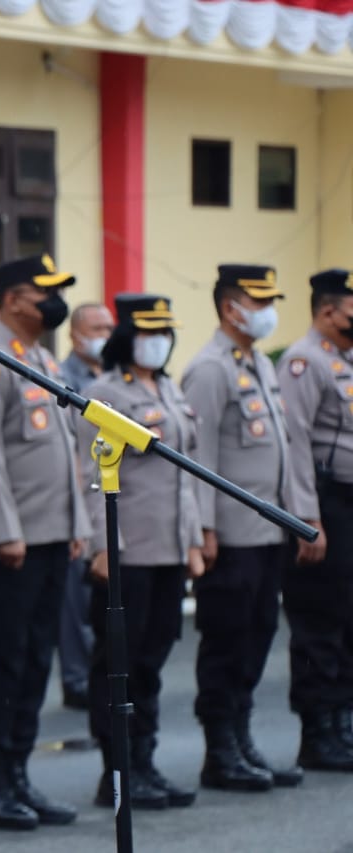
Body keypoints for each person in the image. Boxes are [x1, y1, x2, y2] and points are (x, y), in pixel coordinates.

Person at [0, 254, 90, 831]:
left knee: (35, 663)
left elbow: (65, 453)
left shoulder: (40, 360)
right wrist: (6, 533)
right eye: (44, 293)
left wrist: (77, 524)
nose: (53, 303)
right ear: (12, 300)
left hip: (50, 540)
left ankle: (18, 775)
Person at [76, 294, 202, 811]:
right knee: (119, 664)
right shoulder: (104, 391)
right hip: (128, 548)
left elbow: (186, 474)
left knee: (151, 662)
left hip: (169, 547)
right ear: (127, 338)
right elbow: (89, 474)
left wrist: (194, 539)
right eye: (150, 332)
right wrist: (103, 547)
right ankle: (119, 771)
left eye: (166, 332)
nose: (160, 341)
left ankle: (144, 762)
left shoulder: (169, 387)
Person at [181, 264, 303, 792]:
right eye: (260, 302)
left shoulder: (257, 362)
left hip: (267, 532)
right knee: (227, 642)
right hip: (230, 536)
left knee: (257, 637)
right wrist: (204, 529)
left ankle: (242, 736)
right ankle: (220, 749)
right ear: (231, 308)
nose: (268, 311)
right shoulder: (210, 369)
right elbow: (198, 457)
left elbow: (283, 448)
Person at [277, 268, 353, 773]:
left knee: (347, 620)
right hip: (326, 504)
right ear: (328, 311)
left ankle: (341, 720)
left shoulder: (345, 359)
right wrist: (307, 518)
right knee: (319, 622)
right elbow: (295, 443)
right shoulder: (304, 362)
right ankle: (316, 729)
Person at [59, 302, 115, 710]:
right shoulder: (63, 379)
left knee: (102, 598)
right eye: (97, 328)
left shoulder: (111, 376)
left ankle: (99, 671)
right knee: (75, 603)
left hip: (107, 495)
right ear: (75, 336)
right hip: (78, 496)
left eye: (109, 327)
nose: (105, 334)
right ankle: (76, 679)